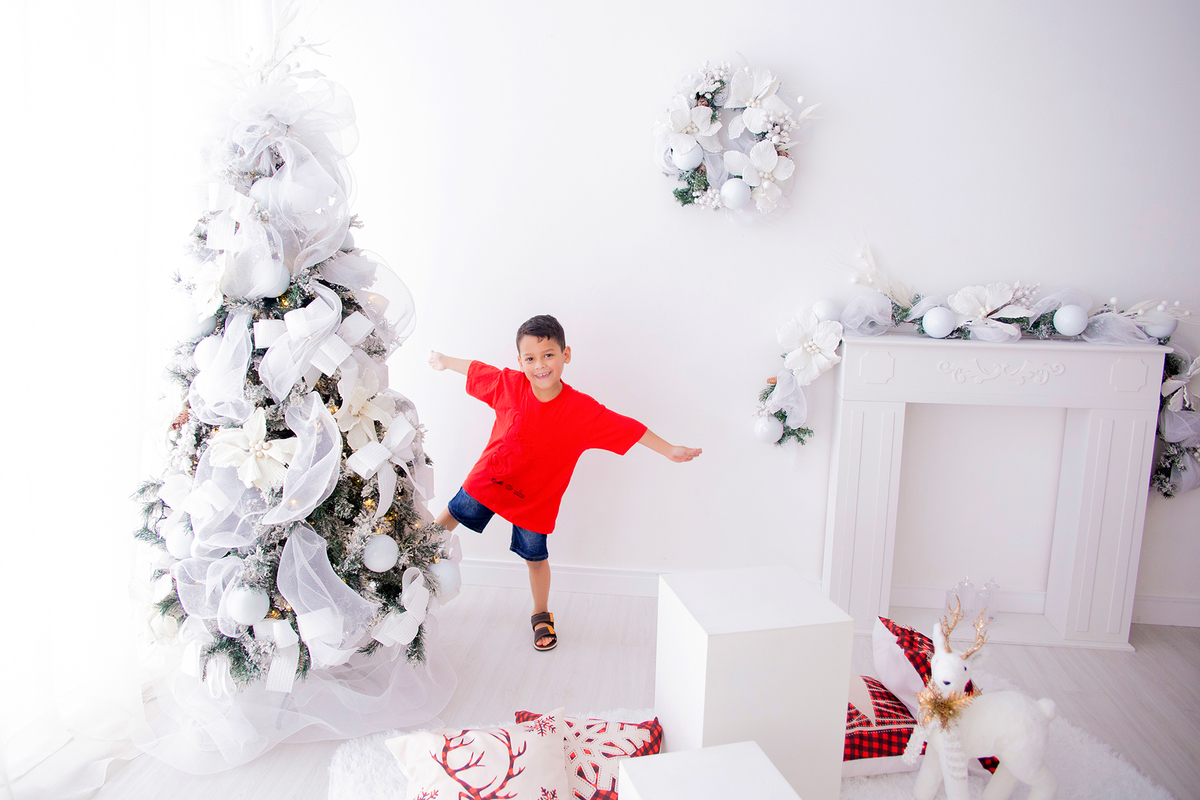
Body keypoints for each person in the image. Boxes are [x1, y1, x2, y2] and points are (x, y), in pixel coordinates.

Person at [429, 314, 701, 651]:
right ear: (520, 362)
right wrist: (444, 361)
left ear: (565, 354)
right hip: (490, 479)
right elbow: (476, 370)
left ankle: (541, 612)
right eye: (530, 358)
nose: (540, 365)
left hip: (535, 500)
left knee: (535, 558)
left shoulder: (582, 411)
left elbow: (628, 427)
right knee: (449, 516)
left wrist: (669, 449)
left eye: (548, 355)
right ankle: (412, 558)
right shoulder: (509, 384)